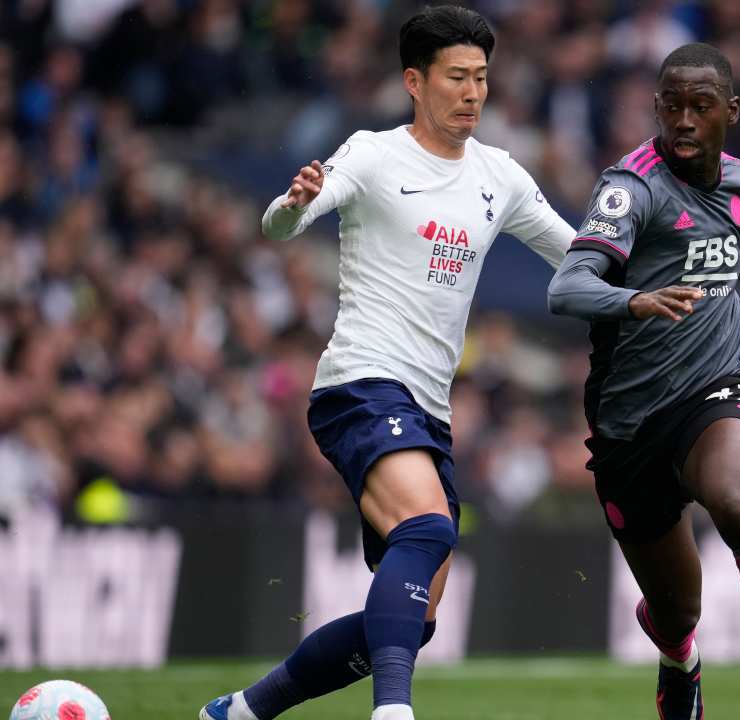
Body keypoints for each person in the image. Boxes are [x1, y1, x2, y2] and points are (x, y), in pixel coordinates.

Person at [200, 7, 575, 720]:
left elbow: (579, 256)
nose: (473, 93)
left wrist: (651, 289)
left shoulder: (500, 176)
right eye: (457, 77)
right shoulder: (373, 155)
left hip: (427, 410)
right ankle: (394, 712)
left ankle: (240, 712)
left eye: (482, 78)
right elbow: (280, 224)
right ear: (414, 81)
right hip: (360, 384)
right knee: (428, 528)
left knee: (413, 619)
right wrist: (293, 203)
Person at [547, 43, 740, 719]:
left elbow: (739, 237)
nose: (684, 120)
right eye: (673, 106)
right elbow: (565, 287)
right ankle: (679, 658)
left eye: (701, 107)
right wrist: (636, 300)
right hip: (630, 422)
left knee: (738, 505)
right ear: (657, 107)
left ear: (730, 112)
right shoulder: (631, 190)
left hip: (716, 387)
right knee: (678, 610)